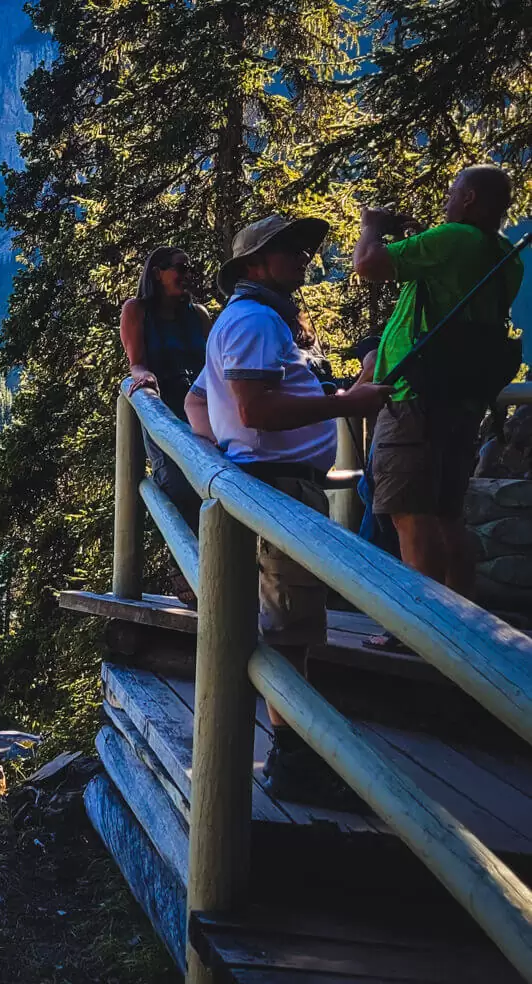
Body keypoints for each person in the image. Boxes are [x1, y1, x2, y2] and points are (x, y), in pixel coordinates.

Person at [185, 215, 390, 804]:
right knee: (290, 631)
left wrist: (221, 454)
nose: (304, 256)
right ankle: (294, 760)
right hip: (277, 492)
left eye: (305, 248)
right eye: (290, 249)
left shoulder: (258, 320)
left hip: (267, 485)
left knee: (284, 626)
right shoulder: (253, 320)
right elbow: (255, 409)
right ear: (254, 264)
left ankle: (291, 751)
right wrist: (344, 403)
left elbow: (199, 400)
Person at [353, 165, 524, 651]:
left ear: (469, 197)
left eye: (453, 194)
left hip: (416, 398)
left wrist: (372, 225)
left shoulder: (453, 239)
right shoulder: (504, 256)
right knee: (447, 514)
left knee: (411, 514)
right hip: (461, 400)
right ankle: (461, 626)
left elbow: (368, 265)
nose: (447, 202)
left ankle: (417, 629)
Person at [120, 247, 212, 603]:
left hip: (202, 410)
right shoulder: (136, 311)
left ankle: (217, 574)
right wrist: (144, 381)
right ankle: (187, 578)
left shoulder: (199, 315)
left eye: (189, 267)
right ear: (157, 272)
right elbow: (136, 362)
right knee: (174, 484)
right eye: (180, 268)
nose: (187, 274)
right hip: (163, 411)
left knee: (212, 484)